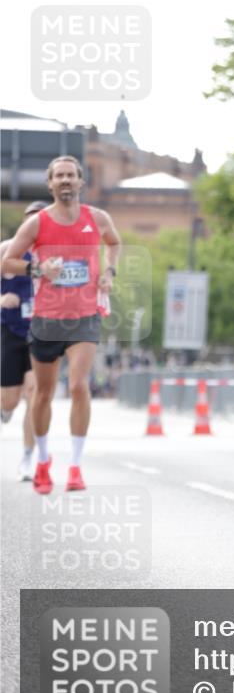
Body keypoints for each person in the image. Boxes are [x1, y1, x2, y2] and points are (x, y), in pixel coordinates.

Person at [3, 156, 121, 494]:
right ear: (51, 184)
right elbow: (7, 261)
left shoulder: (97, 218)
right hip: (46, 318)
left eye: (71, 175)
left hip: (84, 316)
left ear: (81, 182)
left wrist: (109, 273)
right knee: (42, 395)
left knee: (80, 386)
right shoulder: (37, 224)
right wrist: (38, 270)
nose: (66, 180)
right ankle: (42, 460)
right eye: (60, 176)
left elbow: (113, 243)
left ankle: (75, 467)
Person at [1, 200, 49, 480]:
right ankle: (5, 411)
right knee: (9, 400)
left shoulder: (53, 256)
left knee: (35, 394)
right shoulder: (8, 250)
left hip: (40, 332)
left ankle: (28, 458)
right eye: (29, 220)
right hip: (9, 331)